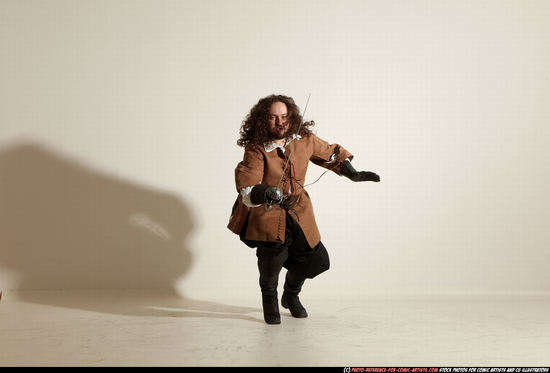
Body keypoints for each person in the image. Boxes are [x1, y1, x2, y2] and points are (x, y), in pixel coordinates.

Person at [227, 94, 380, 324]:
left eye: (284, 116)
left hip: (299, 210)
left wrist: (352, 174)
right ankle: (270, 304)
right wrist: (266, 192)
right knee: (270, 268)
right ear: (263, 120)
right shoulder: (256, 148)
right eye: (272, 117)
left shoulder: (304, 139)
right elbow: (248, 187)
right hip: (267, 214)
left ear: (291, 117)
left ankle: (290, 295)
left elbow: (331, 153)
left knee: (317, 260)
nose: (280, 122)